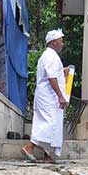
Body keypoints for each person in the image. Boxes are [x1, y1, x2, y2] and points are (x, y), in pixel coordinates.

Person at [22, 29, 68, 164]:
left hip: (49, 98)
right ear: (53, 42)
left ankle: (47, 155)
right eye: (61, 41)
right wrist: (60, 95)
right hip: (48, 98)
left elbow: (54, 74)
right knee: (48, 124)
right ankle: (29, 147)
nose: (62, 44)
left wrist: (62, 72)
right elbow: (51, 77)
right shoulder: (50, 56)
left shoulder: (51, 56)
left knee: (53, 125)